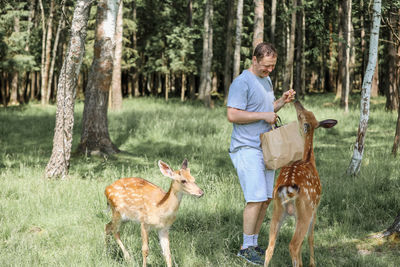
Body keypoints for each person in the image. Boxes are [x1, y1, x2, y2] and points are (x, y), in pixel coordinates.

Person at [227, 42, 295, 265]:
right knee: (255, 199)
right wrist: (262, 116)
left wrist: (281, 102)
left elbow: (267, 110)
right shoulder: (242, 82)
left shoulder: (266, 79)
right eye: (266, 66)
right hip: (246, 148)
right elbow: (233, 115)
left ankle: (253, 243)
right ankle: (245, 249)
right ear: (254, 60)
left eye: (273, 66)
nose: (269, 70)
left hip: (266, 148)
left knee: (265, 199)